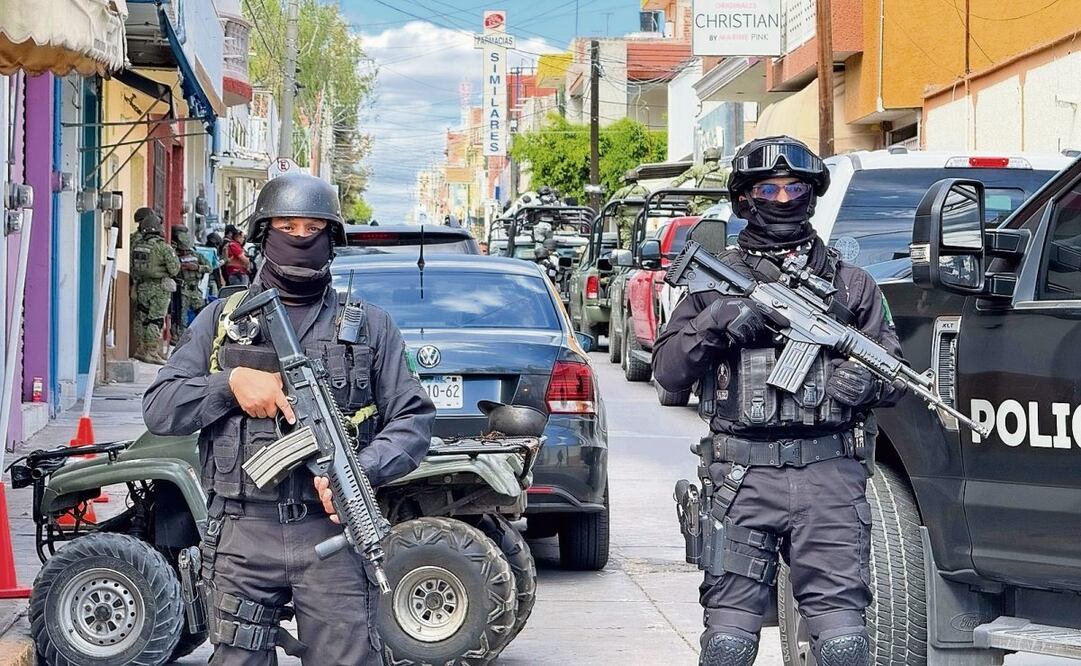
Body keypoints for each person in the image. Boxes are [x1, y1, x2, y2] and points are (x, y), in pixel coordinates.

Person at [142, 172, 436, 665]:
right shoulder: (221, 321)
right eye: (287, 225)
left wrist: (362, 470)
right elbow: (160, 407)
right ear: (263, 233)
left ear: (332, 239)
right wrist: (229, 385)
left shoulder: (369, 327)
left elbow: (414, 421)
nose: (300, 238)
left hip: (333, 533)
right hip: (240, 533)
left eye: (312, 228)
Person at [653, 136, 904, 666]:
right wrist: (716, 322)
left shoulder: (852, 286)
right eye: (768, 187)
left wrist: (868, 384)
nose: (783, 199)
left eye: (795, 187)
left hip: (830, 477)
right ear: (745, 199)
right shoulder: (715, 282)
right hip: (740, 479)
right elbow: (668, 371)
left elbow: (895, 375)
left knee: (842, 641)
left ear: (812, 195)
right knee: (728, 640)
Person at [130, 207, 180, 365]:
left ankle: (141, 349)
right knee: (155, 320)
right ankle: (151, 352)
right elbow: (175, 269)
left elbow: (132, 267)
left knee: (142, 318)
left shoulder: (137, 245)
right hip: (159, 288)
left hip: (141, 286)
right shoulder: (163, 247)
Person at [170, 224, 212, 341]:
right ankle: (180, 337)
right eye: (183, 250)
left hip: (195, 289)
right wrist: (180, 267)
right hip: (182, 289)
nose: (185, 252)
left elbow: (209, 267)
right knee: (181, 316)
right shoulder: (174, 255)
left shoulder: (196, 256)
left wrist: (197, 267)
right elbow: (171, 269)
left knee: (202, 313)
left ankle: (203, 335)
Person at [671, 147, 730, 214]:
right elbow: (730, 191)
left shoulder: (698, 169)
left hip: (699, 209)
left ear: (705, 157)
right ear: (719, 157)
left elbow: (680, 180)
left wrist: (666, 191)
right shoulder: (725, 173)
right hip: (717, 210)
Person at [609, 169, 648, 249]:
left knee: (627, 243)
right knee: (641, 241)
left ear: (626, 180)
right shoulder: (644, 190)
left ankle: (627, 258)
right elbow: (652, 200)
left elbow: (611, 203)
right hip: (640, 220)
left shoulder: (622, 191)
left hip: (625, 221)